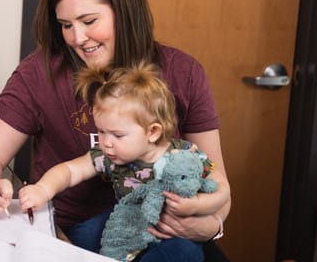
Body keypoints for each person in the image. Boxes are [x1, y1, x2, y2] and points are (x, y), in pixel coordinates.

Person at [0, 0, 231, 258]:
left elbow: (219, 183)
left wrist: (211, 226)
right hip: (76, 236)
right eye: (65, 25)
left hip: (170, 234)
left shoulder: (185, 73)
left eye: (89, 21)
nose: (77, 38)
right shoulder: (41, 72)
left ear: (125, 11)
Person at [18, 61, 230, 262]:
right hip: (129, 220)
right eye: (101, 131)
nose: (106, 143)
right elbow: (71, 171)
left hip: (172, 231)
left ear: (153, 132)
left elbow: (221, 188)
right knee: (84, 234)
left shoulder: (184, 154)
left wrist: (196, 205)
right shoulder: (109, 156)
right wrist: (43, 190)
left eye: (117, 135)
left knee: (183, 252)